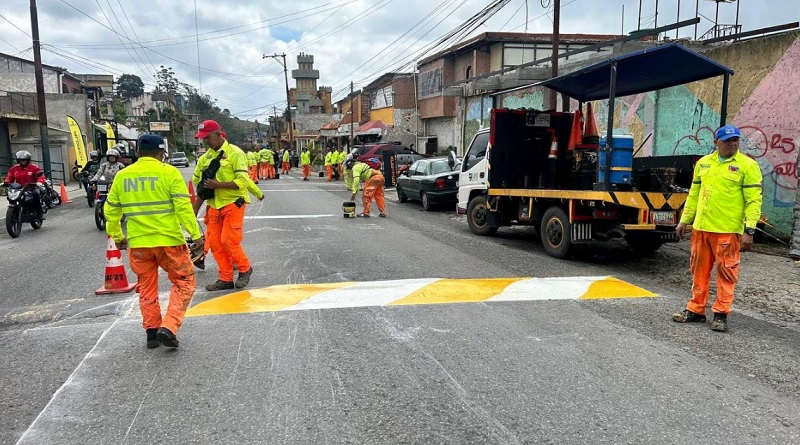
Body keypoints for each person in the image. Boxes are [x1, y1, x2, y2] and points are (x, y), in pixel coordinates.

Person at [104, 134, 204, 349]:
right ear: (161, 153)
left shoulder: (123, 176)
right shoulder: (169, 173)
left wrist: (118, 237)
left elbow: (110, 211)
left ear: (138, 153)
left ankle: (151, 333)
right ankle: (168, 327)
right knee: (184, 282)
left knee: (147, 287)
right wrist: (196, 235)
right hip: (170, 242)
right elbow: (184, 210)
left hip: (139, 244)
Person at [672, 124, 763, 333]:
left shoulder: (747, 166)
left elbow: (754, 201)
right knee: (698, 272)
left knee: (727, 273)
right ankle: (695, 310)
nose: (732, 144)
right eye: (728, 141)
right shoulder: (703, 164)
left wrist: (750, 231)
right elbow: (694, 195)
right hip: (701, 229)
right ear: (716, 143)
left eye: (736, 140)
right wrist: (684, 220)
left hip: (728, 231)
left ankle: (721, 314)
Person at [192, 119, 257, 291]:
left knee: (229, 240)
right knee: (215, 244)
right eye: (202, 138)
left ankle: (245, 269)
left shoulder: (235, 153)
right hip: (214, 205)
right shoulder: (204, 159)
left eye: (207, 137)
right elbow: (199, 185)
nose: (205, 141)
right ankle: (225, 278)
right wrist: (194, 209)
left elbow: (243, 181)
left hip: (233, 203)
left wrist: (218, 185)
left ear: (218, 134)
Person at [2, 150, 46, 219]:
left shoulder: (34, 167)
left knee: (35, 194)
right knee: (11, 196)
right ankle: (16, 212)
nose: (22, 162)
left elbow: (41, 176)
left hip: (32, 187)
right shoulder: (14, 169)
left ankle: (38, 212)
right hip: (19, 188)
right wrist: (6, 182)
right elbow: (9, 177)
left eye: (24, 160)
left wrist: (39, 182)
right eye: (20, 160)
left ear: (28, 160)